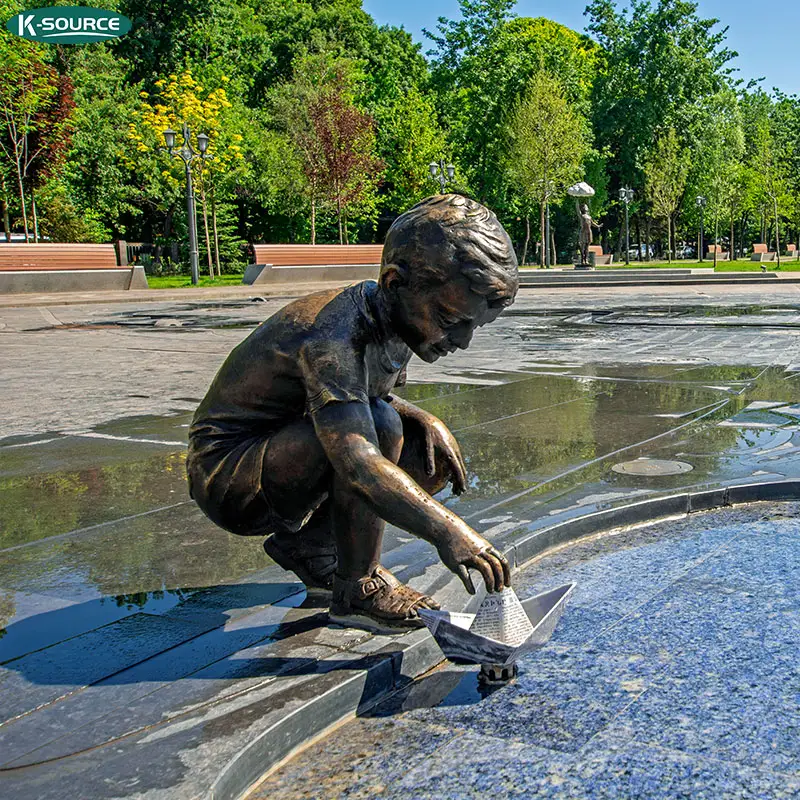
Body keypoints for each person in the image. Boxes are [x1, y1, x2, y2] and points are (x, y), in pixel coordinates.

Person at [187, 194, 520, 634]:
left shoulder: (396, 319)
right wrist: (449, 531)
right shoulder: (334, 336)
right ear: (395, 282)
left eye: (473, 326)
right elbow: (358, 459)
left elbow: (364, 396)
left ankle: (312, 547)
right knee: (378, 431)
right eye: (450, 318)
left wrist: (423, 418)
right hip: (229, 474)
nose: (461, 341)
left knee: (418, 443)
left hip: (287, 444)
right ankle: (357, 587)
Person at [577, 201, 602, 266]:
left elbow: (592, 223)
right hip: (583, 232)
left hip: (589, 232)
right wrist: (576, 200)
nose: (586, 207)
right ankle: (582, 260)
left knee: (587, 247)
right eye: (584, 206)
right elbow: (577, 209)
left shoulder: (589, 217)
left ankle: (586, 260)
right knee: (582, 247)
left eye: (586, 206)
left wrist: (598, 226)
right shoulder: (581, 216)